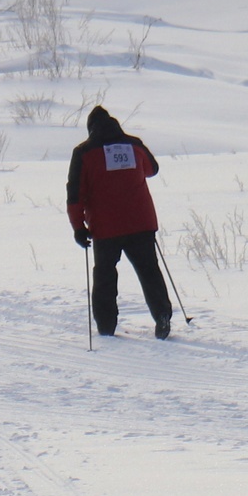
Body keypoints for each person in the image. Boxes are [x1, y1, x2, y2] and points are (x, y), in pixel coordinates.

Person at [67, 106, 173, 340]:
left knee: (105, 275)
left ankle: (106, 326)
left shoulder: (84, 152)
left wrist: (78, 228)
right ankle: (162, 315)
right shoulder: (134, 145)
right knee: (149, 271)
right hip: (141, 222)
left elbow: (75, 195)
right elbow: (152, 169)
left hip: (106, 227)